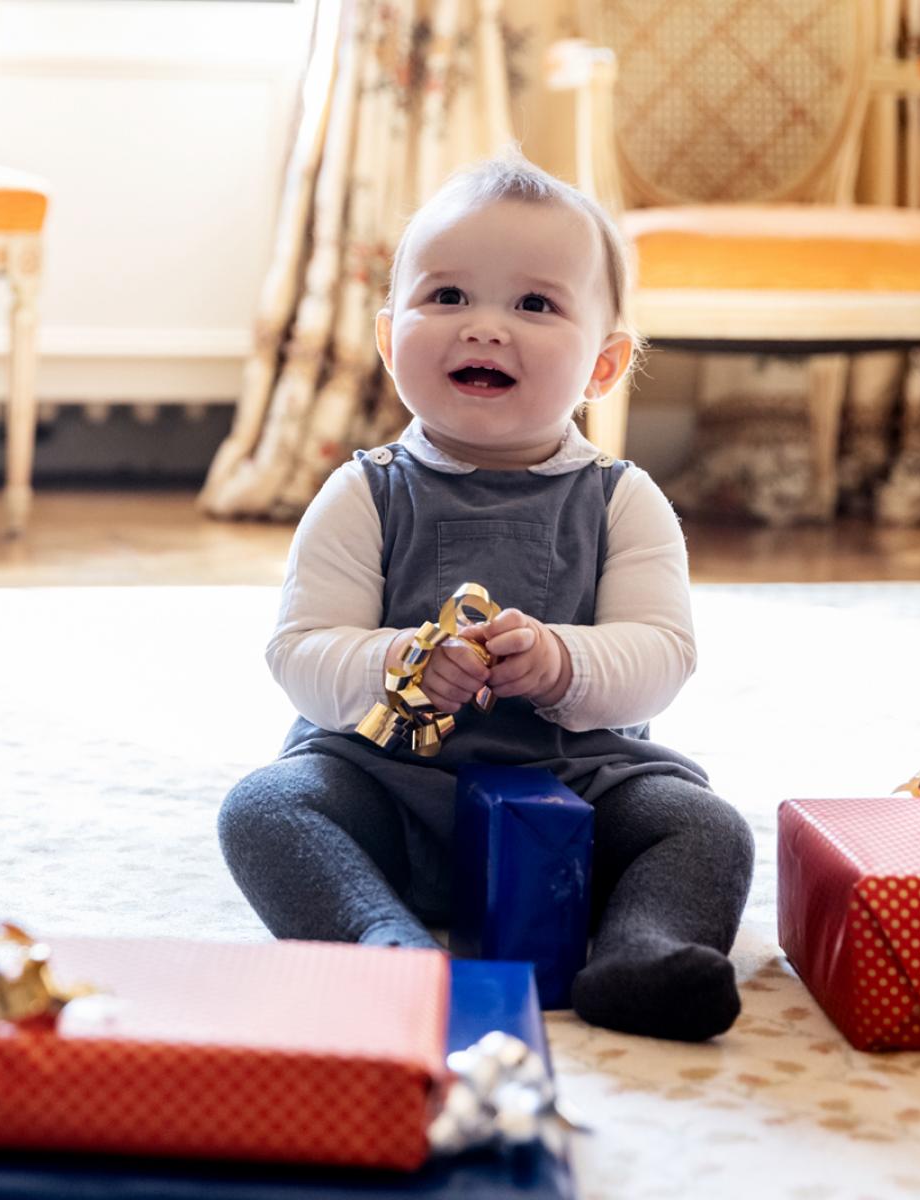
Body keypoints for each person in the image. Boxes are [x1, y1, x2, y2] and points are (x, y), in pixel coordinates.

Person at [217, 153, 754, 1042]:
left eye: (535, 304)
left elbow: (662, 656)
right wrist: (394, 663)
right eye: (449, 297)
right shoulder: (366, 492)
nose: (485, 330)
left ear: (605, 365)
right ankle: (381, 947)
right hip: (384, 787)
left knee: (704, 827)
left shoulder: (623, 498)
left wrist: (561, 662)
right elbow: (302, 650)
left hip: (579, 793)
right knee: (265, 810)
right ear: (391, 341)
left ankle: (642, 953)